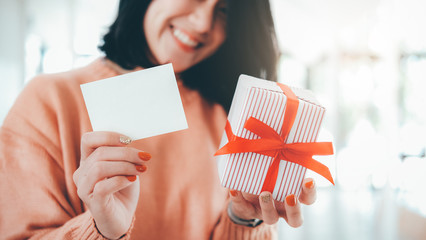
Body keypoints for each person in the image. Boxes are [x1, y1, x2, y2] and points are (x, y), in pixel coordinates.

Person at [0, 0, 318, 239]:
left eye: (224, 9)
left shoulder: (224, 116)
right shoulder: (49, 100)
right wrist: (102, 230)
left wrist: (243, 220)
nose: (203, 22)